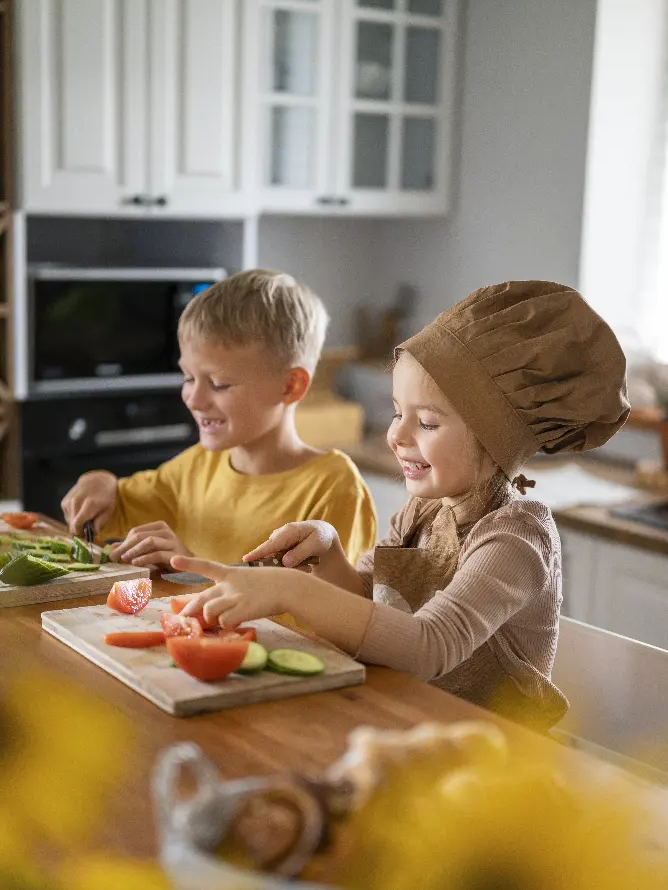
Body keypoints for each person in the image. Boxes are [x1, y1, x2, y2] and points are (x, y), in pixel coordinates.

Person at [171, 281, 630, 730]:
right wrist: (329, 553)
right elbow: (369, 606)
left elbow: (429, 645)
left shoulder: (514, 538)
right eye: (397, 412)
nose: (396, 435)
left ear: (497, 440)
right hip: (411, 728)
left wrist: (289, 591)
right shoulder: (421, 513)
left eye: (426, 422)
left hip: (497, 765)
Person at [61, 269, 376, 567]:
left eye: (219, 383)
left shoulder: (333, 488)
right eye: (188, 378)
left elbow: (332, 614)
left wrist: (195, 571)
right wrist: (99, 481)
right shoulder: (196, 468)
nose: (194, 399)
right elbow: (115, 503)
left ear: (290, 386)